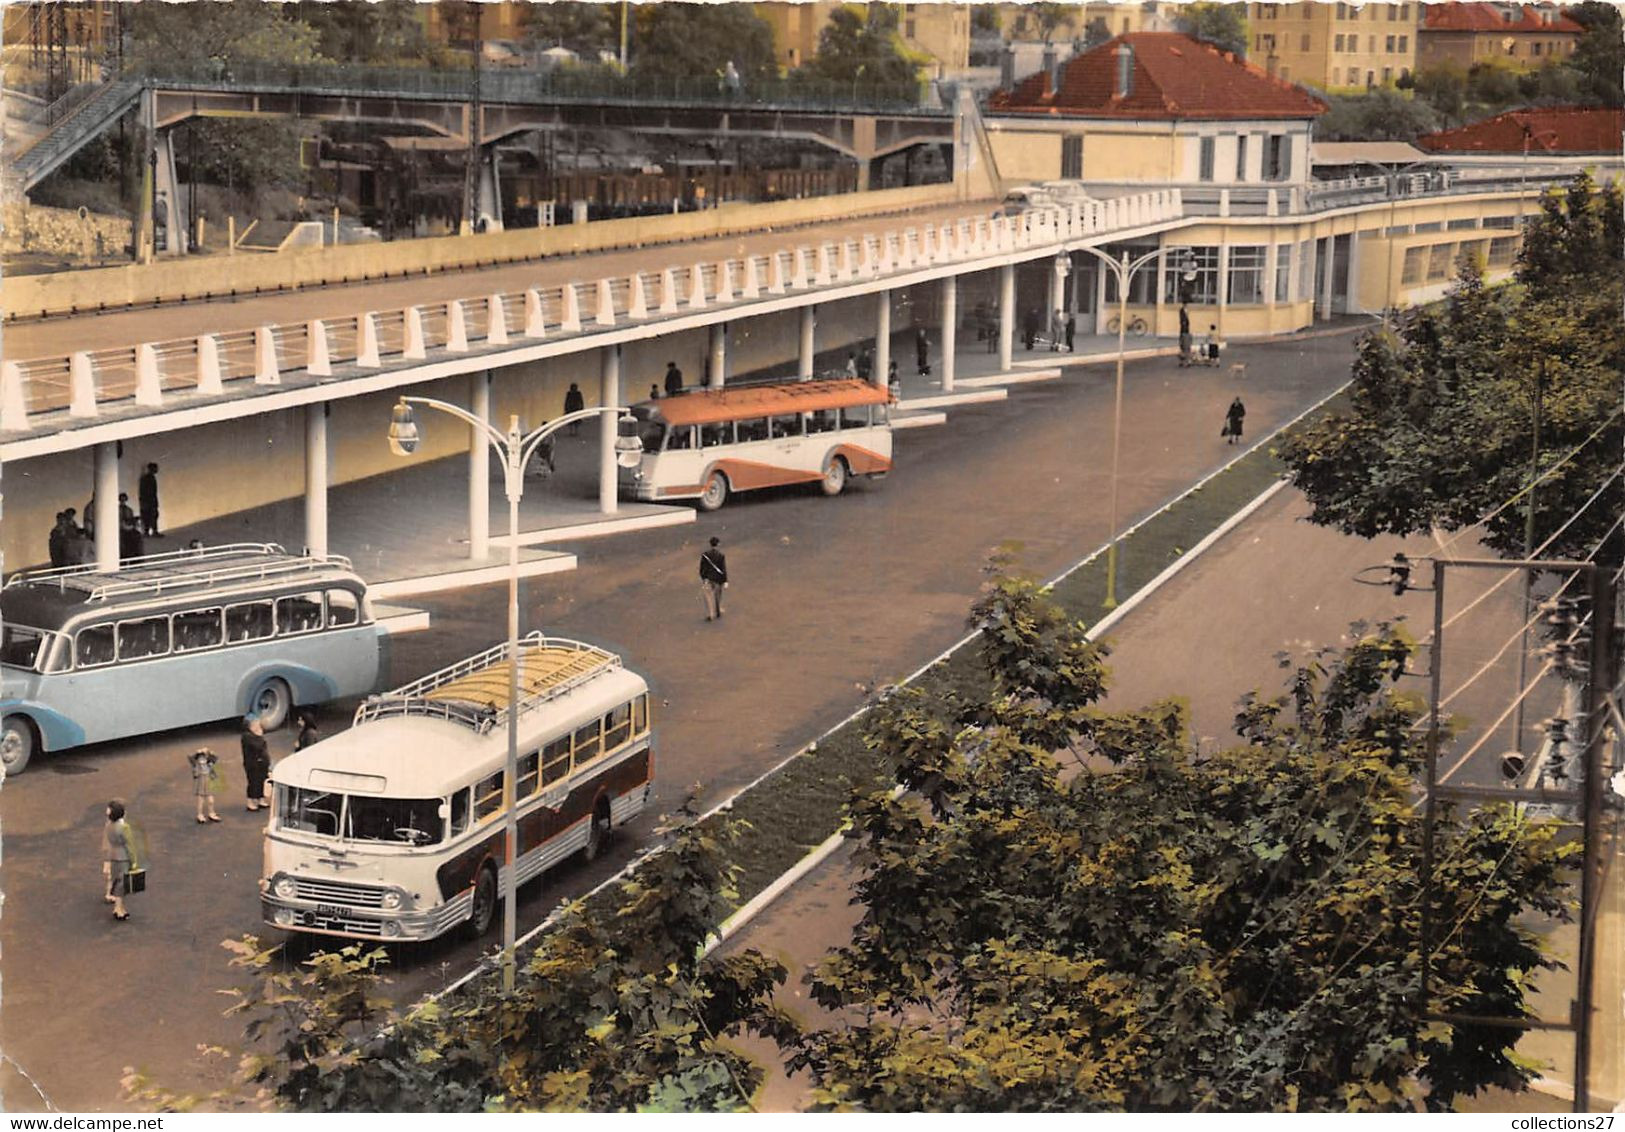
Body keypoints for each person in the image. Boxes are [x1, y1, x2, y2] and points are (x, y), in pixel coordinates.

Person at [102, 799, 133, 920]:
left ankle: (118, 908)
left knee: (116, 882)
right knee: (121, 886)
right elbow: (130, 844)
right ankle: (119, 910)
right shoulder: (124, 828)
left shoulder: (109, 825)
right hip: (123, 857)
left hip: (113, 856)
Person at [241, 716, 271, 812]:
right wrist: (259, 736)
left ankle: (260, 799)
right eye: (255, 724)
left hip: (261, 763)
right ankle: (250, 802)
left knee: (262, 780)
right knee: (253, 782)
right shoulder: (247, 736)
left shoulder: (254, 735)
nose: (257, 726)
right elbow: (257, 747)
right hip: (252, 764)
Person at [699, 536, 728, 622]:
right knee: (717, 595)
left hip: (708, 578)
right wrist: (725, 580)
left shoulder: (705, 555)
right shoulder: (721, 555)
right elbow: (723, 568)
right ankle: (718, 610)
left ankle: (710, 614)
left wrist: (703, 577)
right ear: (718, 544)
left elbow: (702, 568)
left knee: (708, 597)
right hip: (718, 579)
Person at [189, 748, 221, 823]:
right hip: (201, 781)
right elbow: (191, 758)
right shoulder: (196, 764)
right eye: (200, 759)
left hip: (208, 781)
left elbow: (215, 757)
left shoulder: (210, 764)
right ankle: (200, 815)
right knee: (201, 800)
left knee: (211, 801)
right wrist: (197, 752)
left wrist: (209, 752)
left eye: (204, 758)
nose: (202, 761)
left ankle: (211, 813)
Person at [138, 463, 161, 537]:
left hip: (150, 501)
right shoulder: (146, 478)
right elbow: (144, 491)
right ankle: (149, 531)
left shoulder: (150, 478)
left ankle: (151, 531)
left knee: (152, 516)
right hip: (148, 501)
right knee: (149, 516)